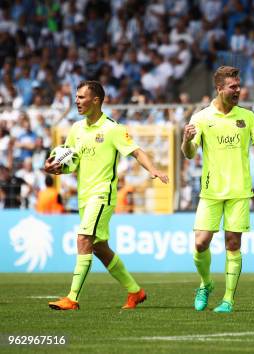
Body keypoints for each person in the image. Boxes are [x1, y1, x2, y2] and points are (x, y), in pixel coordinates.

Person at [44, 80, 169, 310]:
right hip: (84, 196)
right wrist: (56, 167)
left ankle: (72, 299)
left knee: (83, 238)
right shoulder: (76, 129)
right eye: (76, 96)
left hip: (102, 194)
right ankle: (135, 291)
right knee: (100, 247)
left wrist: (152, 169)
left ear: (96, 100)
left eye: (82, 97)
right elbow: (71, 161)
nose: (77, 101)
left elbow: (136, 151)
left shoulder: (113, 129)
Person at [181, 66, 254, 313]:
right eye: (233, 87)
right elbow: (189, 154)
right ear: (219, 89)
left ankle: (228, 300)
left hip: (239, 191)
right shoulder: (201, 118)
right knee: (201, 242)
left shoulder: (247, 117)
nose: (238, 90)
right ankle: (206, 284)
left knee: (232, 243)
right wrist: (185, 139)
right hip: (210, 191)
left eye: (239, 86)